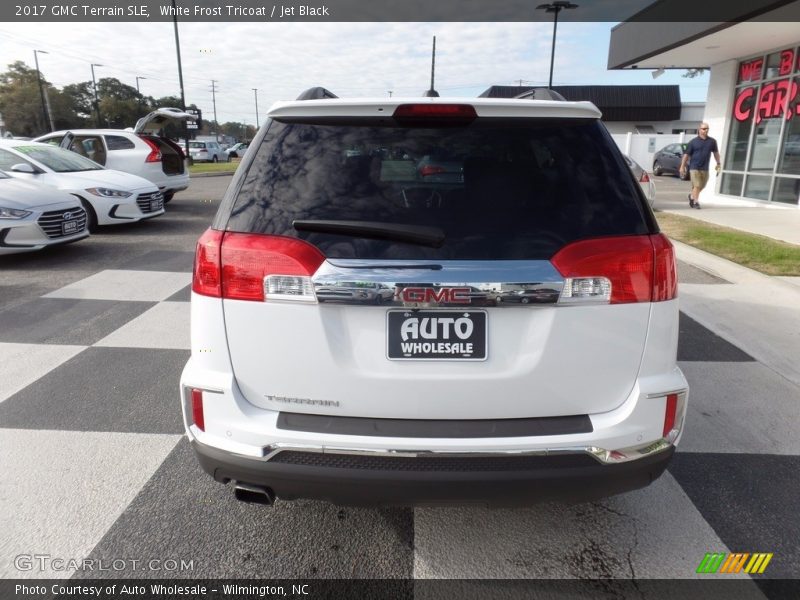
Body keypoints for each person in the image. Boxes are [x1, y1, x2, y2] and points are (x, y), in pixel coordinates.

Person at [680, 123, 721, 209]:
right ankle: (696, 202)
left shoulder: (712, 141)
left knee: (702, 186)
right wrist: (682, 166)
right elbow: (686, 155)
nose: (706, 130)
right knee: (697, 185)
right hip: (694, 167)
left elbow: (716, 153)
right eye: (704, 128)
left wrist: (718, 163)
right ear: (699, 130)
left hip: (705, 168)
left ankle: (691, 196)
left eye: (707, 129)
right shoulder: (693, 142)